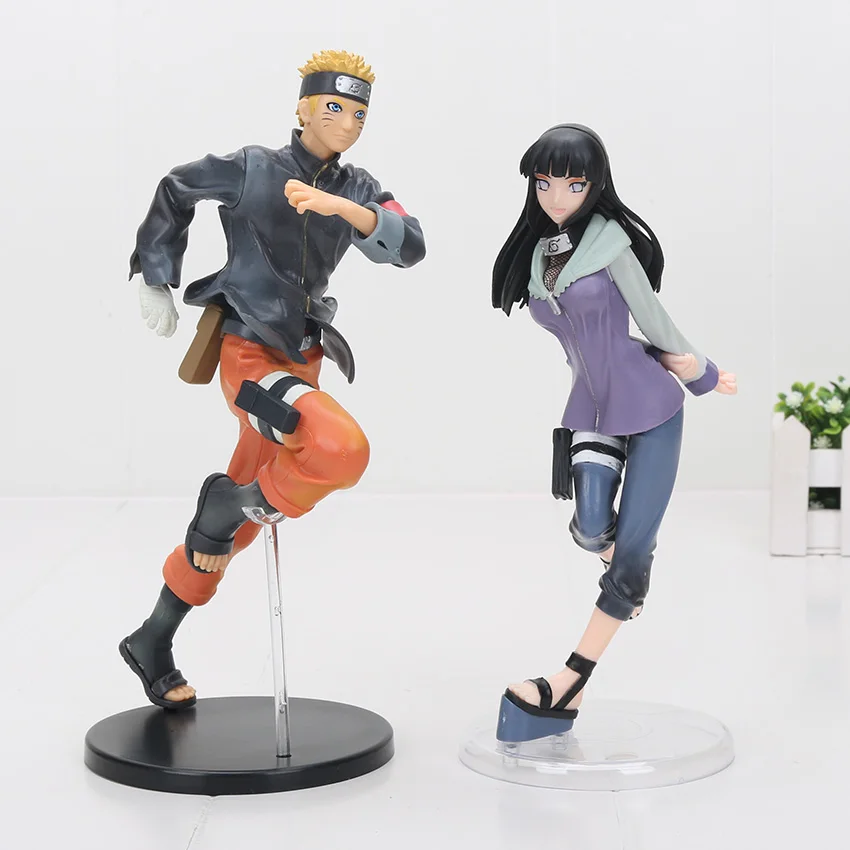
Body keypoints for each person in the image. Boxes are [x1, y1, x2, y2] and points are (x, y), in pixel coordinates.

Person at [120, 50, 426, 710]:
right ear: (303, 108)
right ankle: (226, 504)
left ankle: (154, 635)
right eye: (334, 107)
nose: (348, 122)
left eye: (360, 113)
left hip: (305, 356)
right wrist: (156, 272)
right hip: (251, 357)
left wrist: (343, 208)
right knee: (340, 450)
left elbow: (410, 244)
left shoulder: (360, 185)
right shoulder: (254, 167)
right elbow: (177, 186)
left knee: (235, 531)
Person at [490, 123, 736, 742]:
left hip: (650, 406)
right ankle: (623, 562)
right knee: (590, 523)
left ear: (595, 186)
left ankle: (569, 680)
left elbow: (651, 315)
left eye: (573, 184)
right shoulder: (540, 254)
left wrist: (701, 371)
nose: (557, 196)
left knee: (628, 559)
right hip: (590, 408)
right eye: (544, 183)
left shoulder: (611, 245)